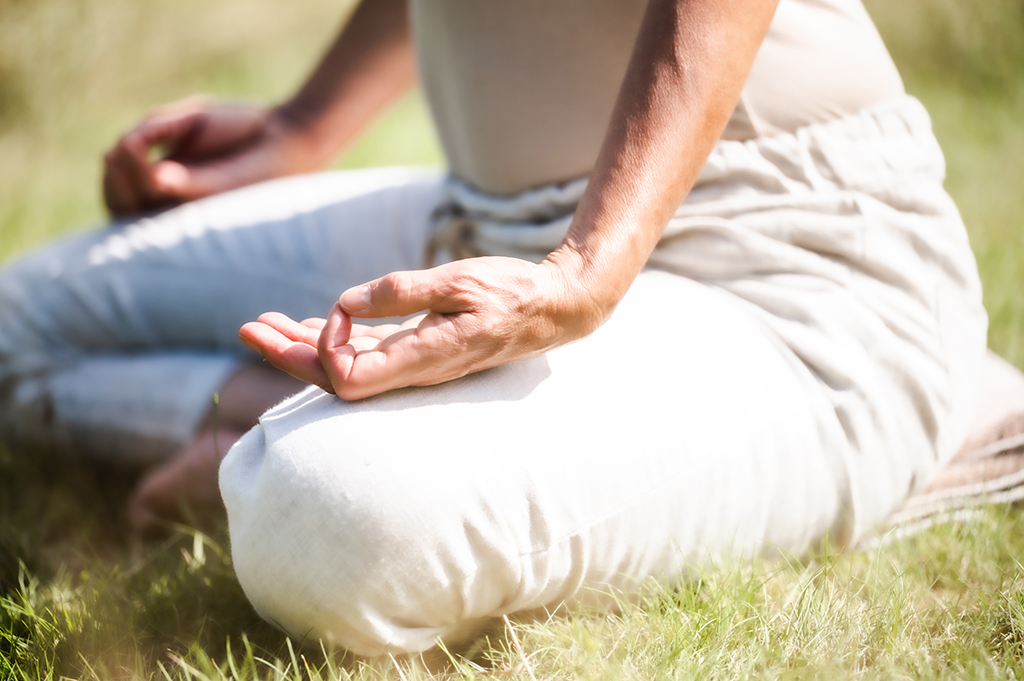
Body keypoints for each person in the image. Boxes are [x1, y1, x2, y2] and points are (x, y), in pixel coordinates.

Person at [0, 0, 1002, 656]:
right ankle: (265, 407)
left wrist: (585, 270)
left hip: (782, 268)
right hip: (483, 224)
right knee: (15, 327)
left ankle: (280, 431)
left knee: (329, 515)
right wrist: (301, 125)